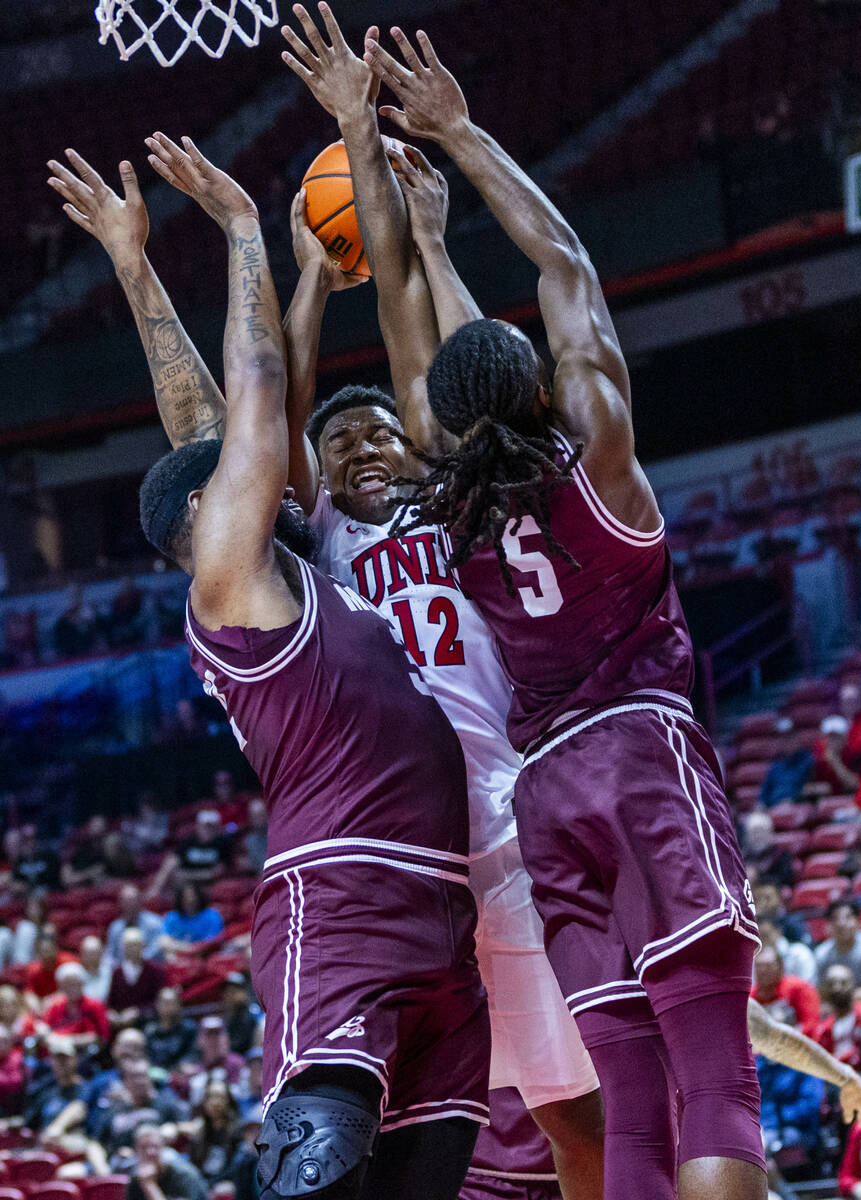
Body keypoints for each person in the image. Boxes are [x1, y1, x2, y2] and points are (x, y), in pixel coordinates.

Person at [362, 25, 763, 1200]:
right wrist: (461, 135)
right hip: (640, 750)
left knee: (630, 1096)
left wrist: (430, 247)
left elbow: (461, 393)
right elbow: (568, 269)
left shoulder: (448, 513)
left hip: (547, 796)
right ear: (540, 385)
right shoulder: (600, 452)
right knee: (715, 1073)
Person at [49, 138, 489, 1198]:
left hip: (440, 907)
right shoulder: (231, 588)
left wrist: (132, 259)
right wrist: (245, 231)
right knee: (315, 1179)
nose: (256, 471)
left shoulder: (300, 571)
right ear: (202, 520)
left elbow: (205, 427)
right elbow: (242, 407)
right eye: (230, 483)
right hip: (338, 894)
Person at [277, 12, 606, 1197]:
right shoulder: (318, 539)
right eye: (341, 442)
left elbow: (417, 333)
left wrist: (392, 196)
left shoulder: (449, 498)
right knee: (412, 1139)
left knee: (577, 1111)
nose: (362, 449)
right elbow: (277, 412)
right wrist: (313, 282)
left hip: (506, 826)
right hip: (392, 856)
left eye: (377, 434)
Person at [149, 810, 232, 897]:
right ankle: (155, 890)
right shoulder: (187, 843)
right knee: (171, 861)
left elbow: (217, 872)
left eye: (211, 826)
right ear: (198, 826)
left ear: (217, 828)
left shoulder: (223, 845)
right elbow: (173, 863)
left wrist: (187, 875)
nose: (208, 829)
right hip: (185, 884)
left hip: (209, 884)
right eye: (205, 826)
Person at [126, 1123, 209, 1200]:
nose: (150, 1152)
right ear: (135, 1151)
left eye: (155, 1146)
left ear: (164, 1148)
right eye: (143, 1147)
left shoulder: (184, 1175)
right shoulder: (136, 1178)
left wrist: (149, 1185)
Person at [751, 946, 820, 1037]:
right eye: (759, 966)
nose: (763, 970)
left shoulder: (798, 988)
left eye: (768, 966)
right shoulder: (750, 997)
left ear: (781, 968)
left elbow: (811, 1024)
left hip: (795, 1045)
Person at [42, 961, 111, 1050]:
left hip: (86, 1053)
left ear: (83, 984)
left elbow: (102, 1037)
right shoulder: (55, 1006)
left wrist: (66, 1041)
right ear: (61, 987)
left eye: (75, 984)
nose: (72, 988)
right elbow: (46, 1029)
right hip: (57, 1052)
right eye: (67, 984)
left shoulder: (95, 1005)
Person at [188, 1078, 241, 1188]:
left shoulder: (237, 1131)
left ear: (228, 1101)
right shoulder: (199, 1132)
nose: (215, 1103)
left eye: (220, 1097)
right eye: (211, 1097)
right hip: (203, 1183)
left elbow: (235, 1167)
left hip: (227, 1184)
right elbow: (194, 1165)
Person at [107, 928, 165, 1028]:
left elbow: (158, 1002)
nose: (132, 949)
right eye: (128, 945)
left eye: (136, 945)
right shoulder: (117, 973)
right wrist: (111, 1013)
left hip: (147, 1023)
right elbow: (111, 1001)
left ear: (143, 945)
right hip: (121, 1024)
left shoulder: (154, 970)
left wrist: (138, 1012)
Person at [815, 964, 861, 1070]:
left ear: (853, 985)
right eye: (832, 984)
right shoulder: (824, 1029)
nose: (837, 988)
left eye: (843, 983)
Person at [187, 1016, 244, 1108]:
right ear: (200, 1040)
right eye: (209, 1035)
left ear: (226, 1038)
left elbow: (241, 1096)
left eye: (217, 1034)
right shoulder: (197, 1068)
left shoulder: (236, 1063)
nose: (214, 1040)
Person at [758, 719, 816, 809]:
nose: (785, 741)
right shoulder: (775, 767)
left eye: (789, 737)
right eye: (781, 738)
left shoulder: (808, 761)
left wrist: (794, 800)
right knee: (755, 819)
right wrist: (760, 808)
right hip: (773, 810)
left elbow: (813, 789)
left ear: (797, 737)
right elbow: (763, 797)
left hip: (798, 808)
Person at [106, 884, 164, 966]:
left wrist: (135, 962)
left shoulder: (154, 922)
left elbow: (156, 949)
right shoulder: (115, 927)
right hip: (122, 973)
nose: (129, 904)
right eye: (126, 901)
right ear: (121, 903)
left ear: (140, 901)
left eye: (132, 900)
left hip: (148, 970)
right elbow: (110, 955)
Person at [145, 987, 198, 1070]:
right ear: (157, 1005)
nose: (168, 1007)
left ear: (179, 1005)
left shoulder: (189, 1028)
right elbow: (146, 1055)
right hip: (154, 1074)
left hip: (180, 1073)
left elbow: (192, 1054)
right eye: (164, 1003)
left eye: (171, 1003)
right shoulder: (150, 1030)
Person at [160, 883, 223, 953]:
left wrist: (193, 950)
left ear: (199, 897)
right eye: (185, 897)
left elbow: (212, 941)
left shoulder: (212, 915)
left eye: (193, 896)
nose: (190, 900)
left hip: (203, 955)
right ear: (179, 899)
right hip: (177, 954)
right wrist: (186, 949)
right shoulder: (171, 917)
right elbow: (164, 941)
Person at [815, 899, 861, 987]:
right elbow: (820, 990)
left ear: (859, 922)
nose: (841, 924)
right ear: (827, 926)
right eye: (835, 918)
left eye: (848, 917)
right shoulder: (821, 954)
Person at [24, 928, 77, 1009]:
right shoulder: (34, 969)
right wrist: (35, 1007)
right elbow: (29, 993)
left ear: (56, 949)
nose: (46, 955)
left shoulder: (68, 962)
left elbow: (74, 989)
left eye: (48, 950)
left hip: (68, 1005)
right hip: (45, 1007)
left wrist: (52, 999)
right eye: (43, 951)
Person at [741, 812, 794, 890]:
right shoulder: (744, 857)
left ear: (770, 832)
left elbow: (785, 880)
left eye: (761, 831)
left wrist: (758, 876)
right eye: (754, 832)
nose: (758, 836)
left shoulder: (781, 854)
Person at [757, 918, 817, 988]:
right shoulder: (755, 958)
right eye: (758, 938)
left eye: (765, 936)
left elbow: (807, 986)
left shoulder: (800, 954)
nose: (762, 943)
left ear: (778, 932)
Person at [220, 973, 258, 1057]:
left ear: (243, 993)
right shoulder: (228, 1014)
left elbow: (240, 1045)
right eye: (227, 991)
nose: (229, 995)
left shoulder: (249, 1015)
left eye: (233, 991)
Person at [80, 935, 113, 1003]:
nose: (92, 958)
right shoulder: (76, 975)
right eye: (89, 954)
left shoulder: (110, 973)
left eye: (95, 953)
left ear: (101, 953)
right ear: (82, 955)